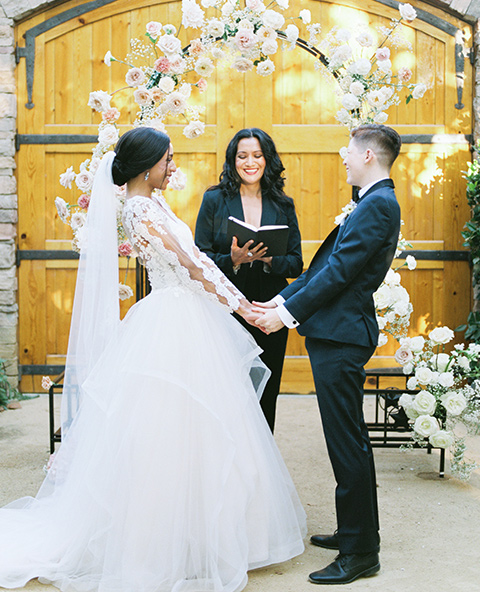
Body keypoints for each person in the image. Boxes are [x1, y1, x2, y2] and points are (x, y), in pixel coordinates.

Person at [0, 127, 306, 592]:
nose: (173, 166)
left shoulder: (151, 204)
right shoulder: (140, 209)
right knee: (167, 431)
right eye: (168, 159)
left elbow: (195, 262)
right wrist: (242, 307)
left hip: (184, 317)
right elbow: (192, 264)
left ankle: (197, 532)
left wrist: (239, 302)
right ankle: (160, 542)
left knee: (198, 429)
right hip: (172, 323)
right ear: (147, 167)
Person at [254, 124, 402, 585]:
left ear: (369, 157)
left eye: (350, 151)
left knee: (347, 442)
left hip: (342, 337)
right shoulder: (370, 202)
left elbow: (340, 273)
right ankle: (355, 531)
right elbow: (326, 266)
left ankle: (361, 552)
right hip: (335, 333)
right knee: (347, 439)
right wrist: (281, 300)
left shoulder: (379, 205)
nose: (344, 157)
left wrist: (286, 315)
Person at [195, 128, 303, 432]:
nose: (250, 162)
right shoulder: (214, 199)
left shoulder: (283, 204)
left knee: (267, 385)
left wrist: (269, 259)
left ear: (267, 160)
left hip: (268, 307)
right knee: (225, 384)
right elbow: (199, 257)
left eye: (257, 155)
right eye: (243, 156)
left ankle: (262, 460)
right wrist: (233, 260)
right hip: (225, 304)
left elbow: (296, 262)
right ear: (233, 160)